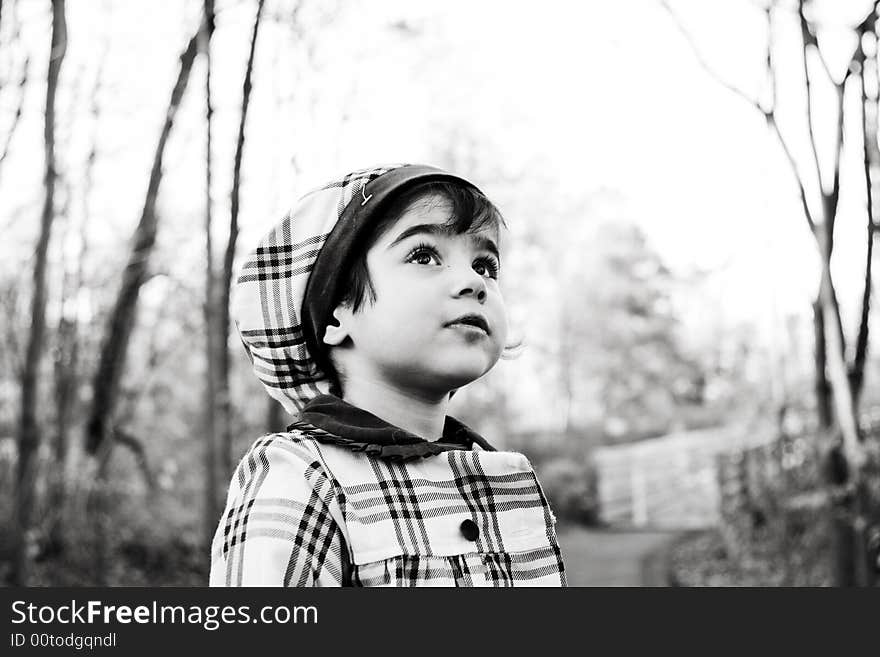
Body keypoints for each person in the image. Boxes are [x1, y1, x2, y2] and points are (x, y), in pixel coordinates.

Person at [209, 163, 566, 587]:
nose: (474, 282)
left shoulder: (501, 479)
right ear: (338, 312)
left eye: (485, 264)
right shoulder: (300, 476)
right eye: (424, 255)